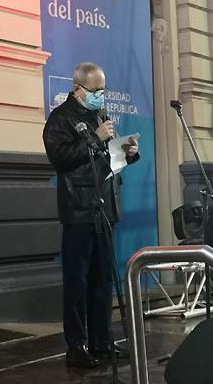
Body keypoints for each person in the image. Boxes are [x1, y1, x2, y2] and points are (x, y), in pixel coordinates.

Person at [42, 62, 139, 367]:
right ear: (77, 89)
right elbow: (60, 158)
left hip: (105, 207)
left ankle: (102, 341)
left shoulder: (100, 115)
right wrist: (96, 138)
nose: (101, 96)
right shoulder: (60, 118)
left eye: (103, 90)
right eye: (96, 90)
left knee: (102, 280)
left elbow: (107, 159)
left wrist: (128, 152)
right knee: (77, 282)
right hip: (79, 209)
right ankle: (76, 346)